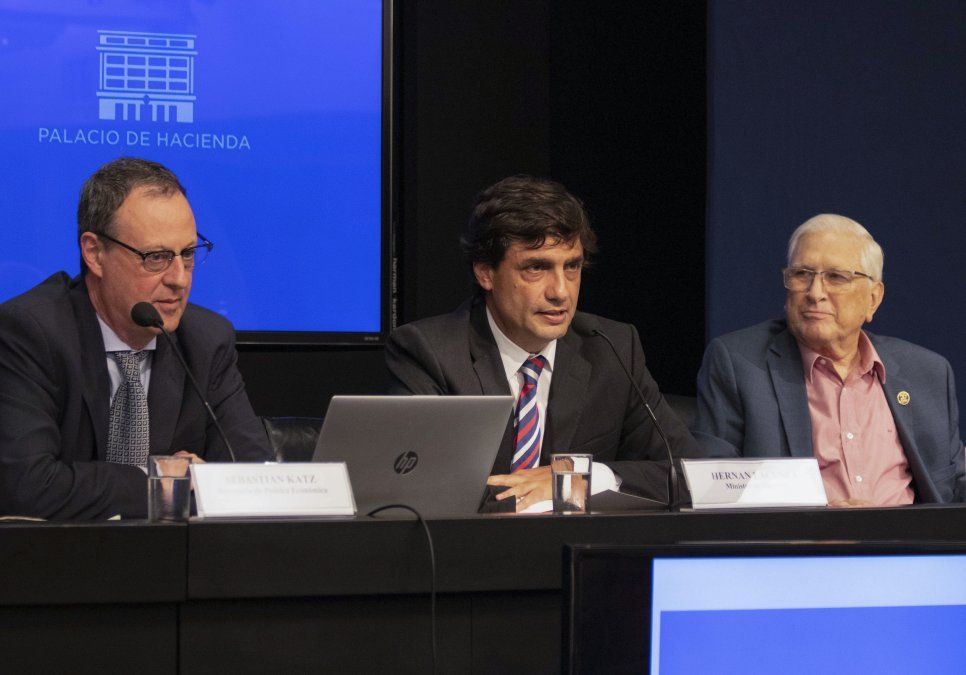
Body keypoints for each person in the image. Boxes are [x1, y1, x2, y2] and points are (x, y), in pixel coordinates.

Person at [385, 175, 702, 511]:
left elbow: (691, 473)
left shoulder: (611, 348)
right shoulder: (429, 352)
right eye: (536, 268)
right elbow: (413, 488)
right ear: (485, 273)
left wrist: (578, 476)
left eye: (573, 267)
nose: (561, 292)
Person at [0, 157, 273, 519]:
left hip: (176, 567)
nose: (179, 278)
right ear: (95, 253)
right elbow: (28, 486)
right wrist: (159, 480)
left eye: (188, 254)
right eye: (156, 257)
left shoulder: (206, 340)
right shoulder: (31, 332)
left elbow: (252, 479)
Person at [694, 214, 964, 506]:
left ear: (873, 298)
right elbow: (713, 486)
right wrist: (817, 519)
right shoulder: (739, 364)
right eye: (802, 274)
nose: (815, 293)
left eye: (836, 277)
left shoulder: (928, 372)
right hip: (800, 547)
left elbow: (953, 485)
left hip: (911, 547)